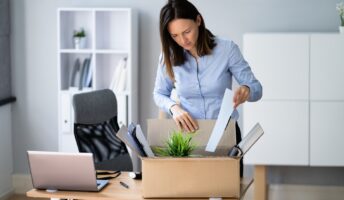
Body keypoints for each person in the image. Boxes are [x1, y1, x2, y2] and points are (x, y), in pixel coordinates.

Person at [153, 0, 262, 176]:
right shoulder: (169, 56)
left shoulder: (227, 49)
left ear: (198, 20)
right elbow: (159, 94)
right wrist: (174, 107)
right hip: (188, 138)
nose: (183, 40)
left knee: (227, 191)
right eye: (175, 36)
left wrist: (247, 90)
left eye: (186, 32)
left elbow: (257, 88)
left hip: (226, 136)